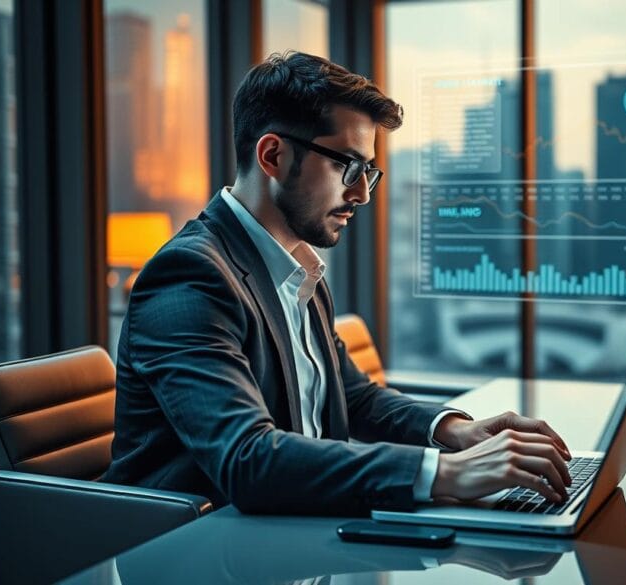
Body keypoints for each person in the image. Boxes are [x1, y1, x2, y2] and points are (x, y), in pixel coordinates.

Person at [102, 51, 572, 515]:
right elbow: (247, 459)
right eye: (347, 165)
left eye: (368, 170)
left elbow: (350, 395)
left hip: (298, 529)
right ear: (273, 156)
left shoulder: (299, 269)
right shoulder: (190, 276)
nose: (362, 193)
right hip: (194, 549)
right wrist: (448, 472)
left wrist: (453, 431)